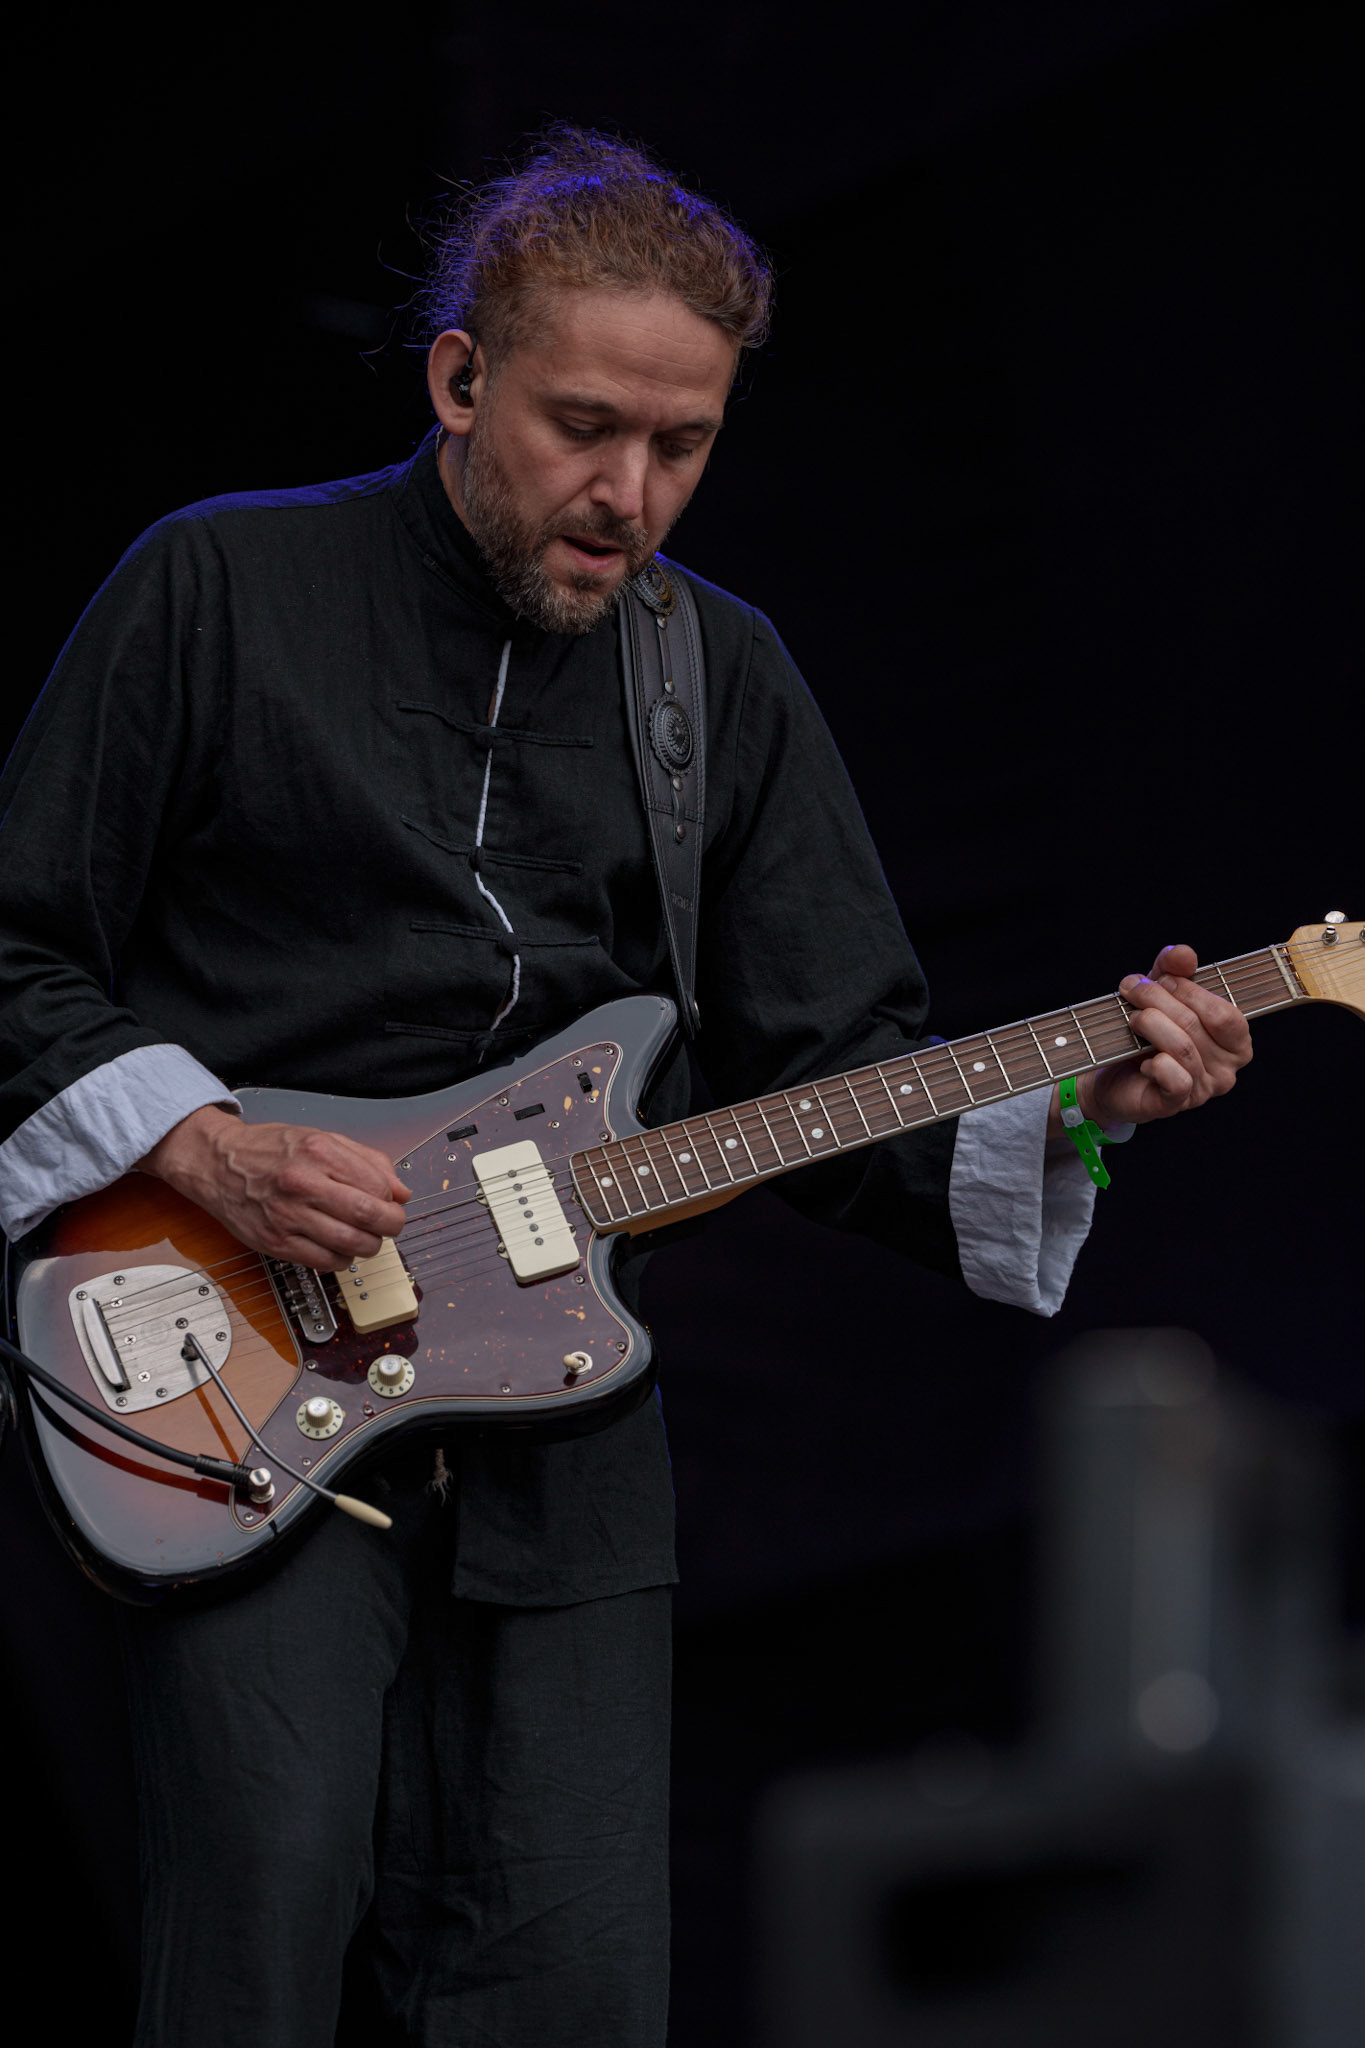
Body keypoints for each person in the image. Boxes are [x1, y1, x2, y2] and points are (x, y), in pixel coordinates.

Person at [0, 129, 1251, 2045]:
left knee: (569, 1981)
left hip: (563, 1427)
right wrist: (205, 1141)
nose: (628, 495)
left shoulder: (718, 682)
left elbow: (832, 1075)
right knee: (257, 1943)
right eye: (585, 427)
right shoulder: (217, 589)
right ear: (458, 376)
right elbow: (17, 947)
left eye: (682, 446)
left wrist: (1088, 1102)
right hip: (235, 1346)